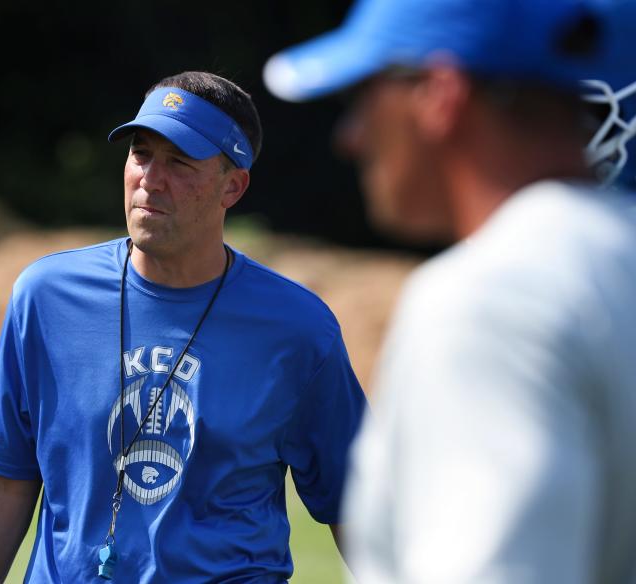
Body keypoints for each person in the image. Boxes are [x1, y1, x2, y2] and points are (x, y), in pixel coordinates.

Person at [264, 0, 636, 582]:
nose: (350, 137)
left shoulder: (489, 302)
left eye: (361, 97)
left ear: (440, 94)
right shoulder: (614, 261)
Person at [0, 71, 367, 583]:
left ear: (232, 186)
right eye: (141, 153)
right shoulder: (46, 298)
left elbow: (357, 506)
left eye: (180, 161)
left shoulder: (298, 330)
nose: (150, 177)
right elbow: (2, 480)